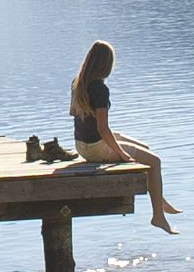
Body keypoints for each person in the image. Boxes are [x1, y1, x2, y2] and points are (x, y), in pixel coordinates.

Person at [68, 38, 178, 231]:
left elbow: (72, 112)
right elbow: (103, 129)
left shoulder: (77, 83)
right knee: (155, 162)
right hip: (96, 148)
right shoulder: (100, 89)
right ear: (106, 65)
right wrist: (122, 153)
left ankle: (159, 199)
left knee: (145, 149)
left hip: (82, 145)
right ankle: (158, 216)